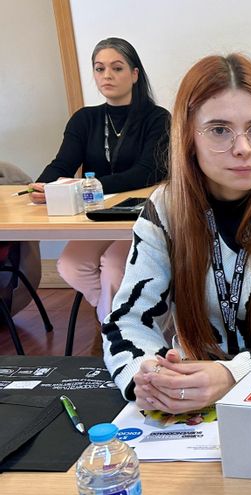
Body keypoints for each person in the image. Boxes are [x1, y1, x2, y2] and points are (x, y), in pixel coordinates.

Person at [102, 54, 251, 413]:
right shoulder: (166, 207)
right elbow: (126, 321)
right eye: (219, 130)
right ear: (188, 137)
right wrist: (147, 374)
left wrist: (233, 374)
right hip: (194, 395)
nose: (244, 148)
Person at [30, 38, 170, 328]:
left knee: (115, 267)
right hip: (97, 215)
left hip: (140, 216)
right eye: (100, 68)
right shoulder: (84, 119)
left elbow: (147, 172)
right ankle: (118, 323)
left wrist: (84, 187)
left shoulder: (157, 118)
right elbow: (62, 164)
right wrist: (41, 186)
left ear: (134, 74)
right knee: (70, 265)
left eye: (117, 68)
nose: (107, 75)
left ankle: (116, 331)